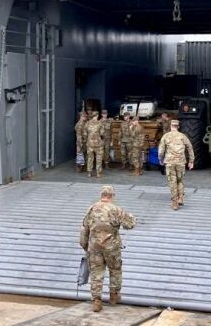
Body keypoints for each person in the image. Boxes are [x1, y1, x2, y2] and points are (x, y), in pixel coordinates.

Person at [80, 185, 136, 313]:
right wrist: (132, 217)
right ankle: (114, 296)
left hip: (94, 247)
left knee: (96, 273)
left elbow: (84, 229)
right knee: (115, 270)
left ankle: (96, 301)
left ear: (102, 195)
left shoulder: (91, 209)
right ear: (112, 196)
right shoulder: (116, 209)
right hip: (112, 247)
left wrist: (85, 245)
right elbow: (129, 225)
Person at [157, 119, 194, 210]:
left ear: (170, 126)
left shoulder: (166, 136)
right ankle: (180, 198)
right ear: (178, 126)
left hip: (170, 162)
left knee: (172, 182)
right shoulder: (183, 136)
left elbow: (161, 151)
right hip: (181, 162)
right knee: (180, 180)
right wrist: (191, 161)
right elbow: (190, 147)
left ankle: (174, 203)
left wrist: (160, 159)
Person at [85, 111, 105, 178]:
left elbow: (85, 134)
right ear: (97, 116)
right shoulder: (100, 123)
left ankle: (89, 173)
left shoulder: (87, 123)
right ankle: (98, 173)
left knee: (90, 158)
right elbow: (102, 133)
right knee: (99, 159)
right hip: (98, 144)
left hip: (90, 144)